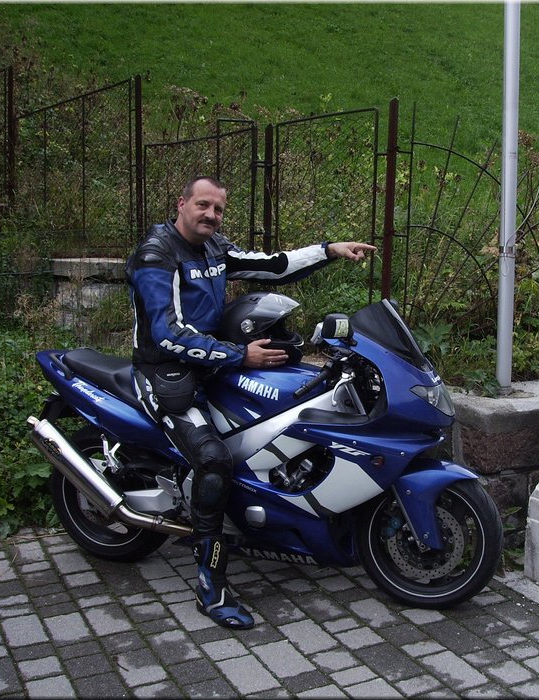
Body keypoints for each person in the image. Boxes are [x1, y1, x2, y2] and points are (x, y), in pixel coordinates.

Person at [126, 176, 375, 629]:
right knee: (214, 459)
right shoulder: (156, 255)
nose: (211, 215)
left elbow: (274, 265)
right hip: (165, 371)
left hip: (212, 364)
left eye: (218, 209)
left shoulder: (214, 249)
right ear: (181, 204)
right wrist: (239, 354)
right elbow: (166, 333)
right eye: (203, 205)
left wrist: (329, 250)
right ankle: (210, 582)